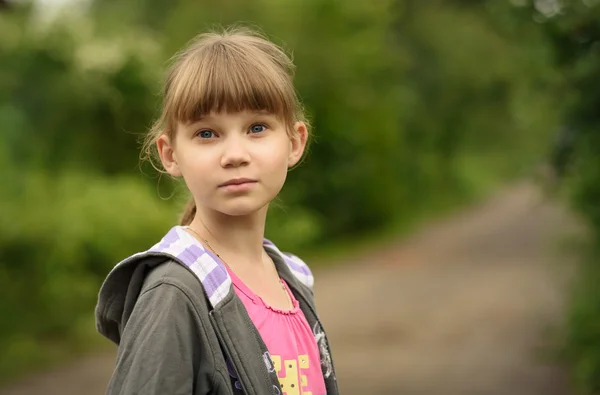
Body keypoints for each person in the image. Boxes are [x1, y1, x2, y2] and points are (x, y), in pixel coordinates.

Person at [95, 26, 338, 395]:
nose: (235, 155)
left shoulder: (293, 280)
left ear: (294, 142)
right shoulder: (173, 295)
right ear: (170, 154)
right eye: (207, 133)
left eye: (257, 128)